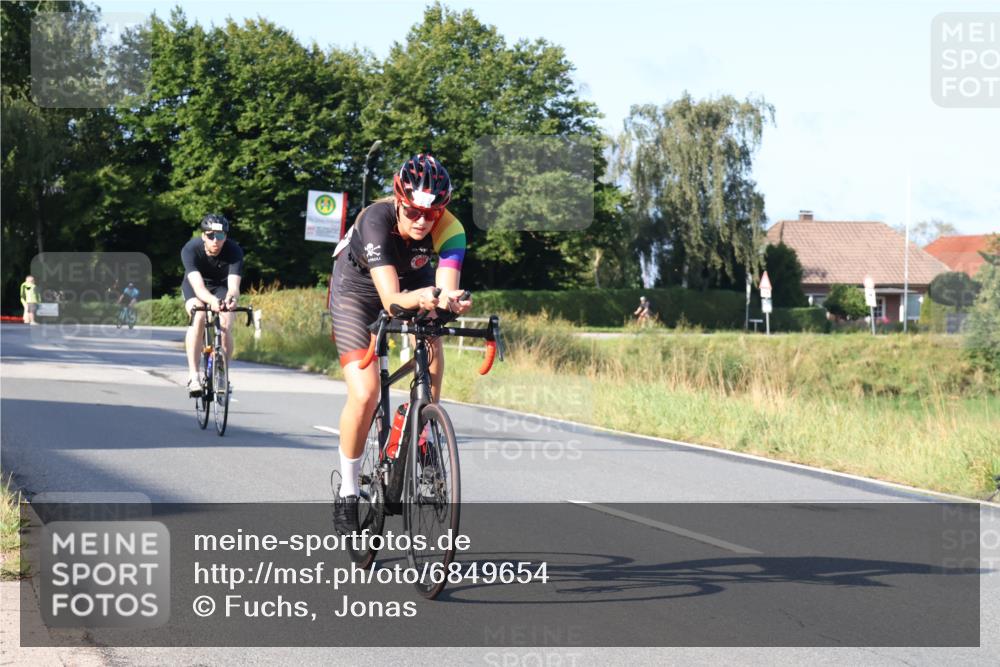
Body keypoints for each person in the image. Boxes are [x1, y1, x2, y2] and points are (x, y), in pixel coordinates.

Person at [330, 154, 470, 534]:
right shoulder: (375, 219)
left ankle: (422, 424)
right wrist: (427, 296)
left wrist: (449, 302)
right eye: (413, 211)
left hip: (413, 280)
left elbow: (444, 286)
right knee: (366, 393)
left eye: (433, 213)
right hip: (356, 291)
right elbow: (391, 301)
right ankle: (347, 489)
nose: (423, 221)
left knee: (433, 333)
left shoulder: (452, 229)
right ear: (399, 200)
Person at [181, 214, 244, 396]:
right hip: (196, 286)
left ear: (226, 237)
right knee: (198, 315)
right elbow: (199, 289)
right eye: (210, 236)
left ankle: (223, 373)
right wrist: (212, 302)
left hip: (221, 287)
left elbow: (233, 287)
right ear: (203, 236)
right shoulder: (190, 249)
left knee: (226, 322)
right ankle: (194, 376)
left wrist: (231, 299)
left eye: (221, 236)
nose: (216, 241)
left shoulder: (234, 251)